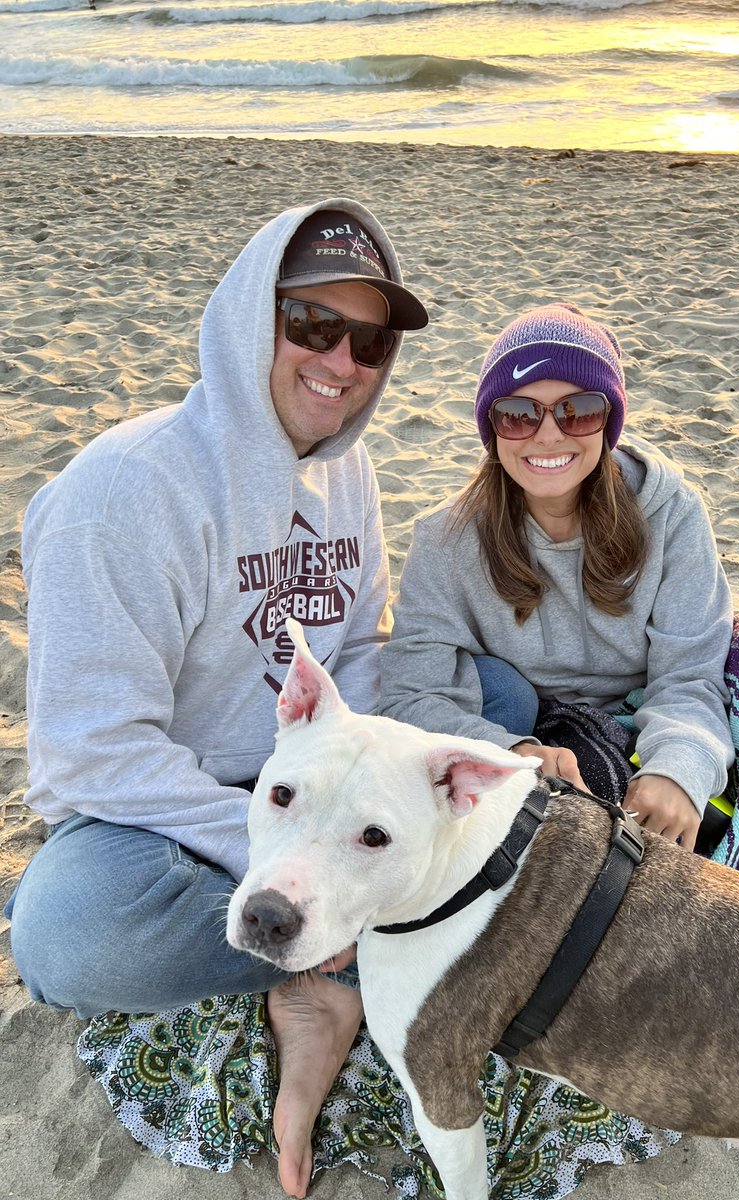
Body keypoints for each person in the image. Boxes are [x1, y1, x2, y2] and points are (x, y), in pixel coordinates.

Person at [6, 199, 428, 1199]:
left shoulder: (350, 468)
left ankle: (333, 958)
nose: (342, 362)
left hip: (305, 785)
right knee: (67, 934)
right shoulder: (124, 494)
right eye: (312, 325)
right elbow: (93, 760)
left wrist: (360, 814)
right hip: (158, 813)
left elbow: (359, 660)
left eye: (368, 339)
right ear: (254, 317)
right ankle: (335, 964)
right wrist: (287, 862)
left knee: (489, 695)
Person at [379, 302, 739, 947]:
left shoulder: (669, 512)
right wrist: (505, 753)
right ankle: (726, 919)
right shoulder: (446, 541)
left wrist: (677, 768)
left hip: (655, 711)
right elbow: (410, 692)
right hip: (546, 736)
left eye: (578, 409)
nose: (548, 435)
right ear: (491, 428)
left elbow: (689, 674)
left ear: (610, 421)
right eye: (519, 413)